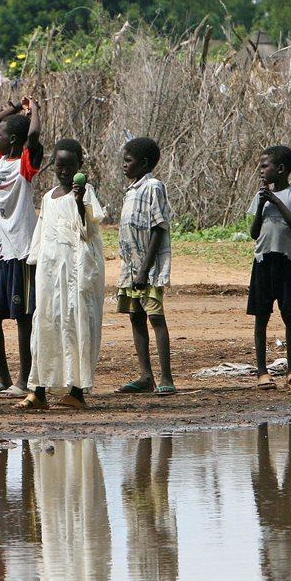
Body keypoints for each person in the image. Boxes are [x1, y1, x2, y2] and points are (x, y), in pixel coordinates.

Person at [18, 139, 106, 410]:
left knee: (76, 324)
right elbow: (40, 236)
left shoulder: (86, 193)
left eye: (70, 165)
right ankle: (39, 390)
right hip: (50, 272)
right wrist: (34, 268)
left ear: (80, 164)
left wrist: (80, 202)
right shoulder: (48, 196)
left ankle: (77, 391)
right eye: (59, 165)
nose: (64, 170)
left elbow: (88, 230)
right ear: (53, 165)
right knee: (46, 324)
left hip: (77, 271)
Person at [0, 97, 42, 399]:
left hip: (21, 250)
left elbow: (33, 136)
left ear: (15, 140)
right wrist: (13, 109)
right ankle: (4, 377)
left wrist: (35, 110)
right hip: (0, 252)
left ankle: (24, 378)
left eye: (4, 135)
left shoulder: (24, 164)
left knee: (22, 317)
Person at [115, 136, 175, 396]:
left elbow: (158, 229)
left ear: (145, 163)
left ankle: (166, 377)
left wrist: (144, 269)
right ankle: (145, 376)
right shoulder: (131, 190)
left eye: (128, 161)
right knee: (135, 316)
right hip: (129, 268)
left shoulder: (153, 186)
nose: (124, 166)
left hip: (146, 269)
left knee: (155, 318)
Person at [248, 145, 291, 390]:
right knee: (261, 316)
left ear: (281, 169)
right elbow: (254, 233)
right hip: (264, 260)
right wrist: (263, 205)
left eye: (265, 166)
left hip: (288, 262)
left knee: (290, 316)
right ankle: (262, 371)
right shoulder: (260, 197)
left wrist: (275, 200)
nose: (261, 171)